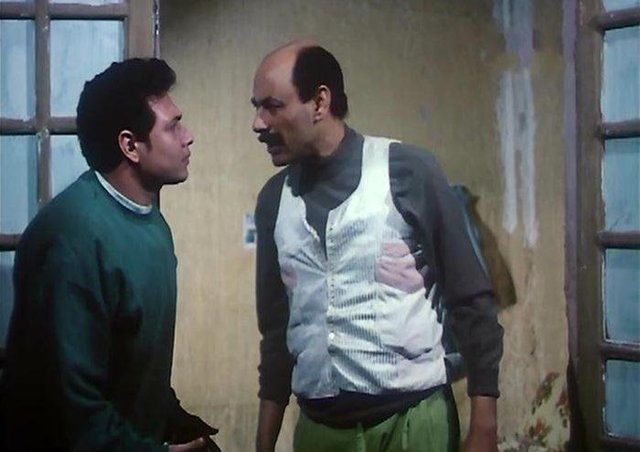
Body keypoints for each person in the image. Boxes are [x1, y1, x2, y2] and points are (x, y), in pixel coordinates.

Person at [251, 42, 504, 451]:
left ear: (320, 102)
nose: (258, 123)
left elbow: (471, 299)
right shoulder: (274, 202)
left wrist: (485, 424)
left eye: (272, 107)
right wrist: (264, 442)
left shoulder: (407, 172)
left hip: (413, 425)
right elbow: (277, 333)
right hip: (320, 430)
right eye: (256, 108)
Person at [0, 58, 220, 452]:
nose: (188, 137)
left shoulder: (151, 222)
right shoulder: (71, 237)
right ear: (130, 145)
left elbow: (134, 362)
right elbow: (70, 405)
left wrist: (172, 418)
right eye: (173, 126)